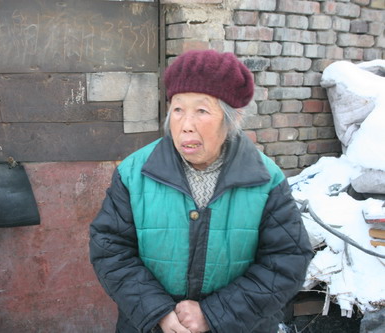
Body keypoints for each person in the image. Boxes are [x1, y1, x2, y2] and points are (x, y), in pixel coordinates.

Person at [89, 49, 313, 333]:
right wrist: (158, 311)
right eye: (178, 109)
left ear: (233, 118)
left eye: (202, 111)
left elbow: (287, 261)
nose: (186, 125)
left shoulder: (265, 179)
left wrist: (213, 314)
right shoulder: (134, 174)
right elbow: (110, 250)